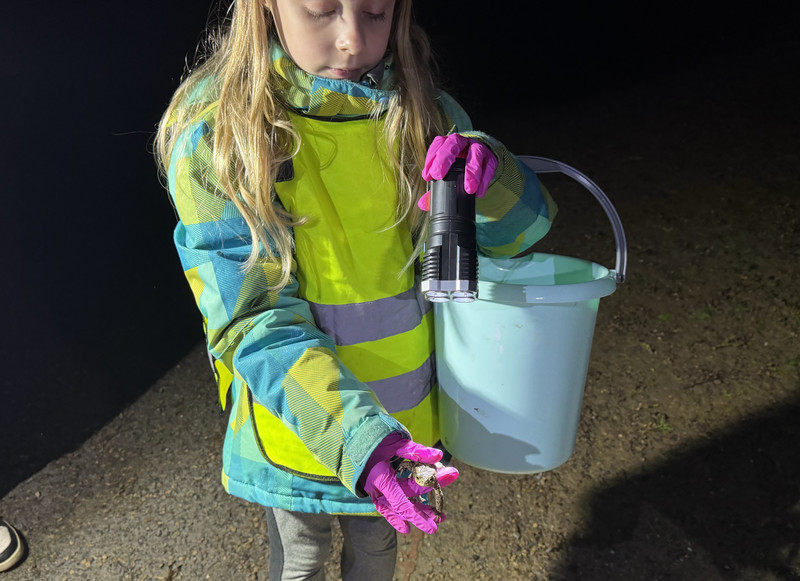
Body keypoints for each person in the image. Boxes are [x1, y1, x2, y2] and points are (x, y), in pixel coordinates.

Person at [155, 1, 557, 579]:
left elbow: (524, 236)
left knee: (378, 554)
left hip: (404, 426)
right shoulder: (223, 135)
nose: (351, 39)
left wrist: (494, 180)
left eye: (375, 12)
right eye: (320, 10)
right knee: (302, 560)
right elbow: (249, 319)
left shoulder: (426, 117)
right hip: (303, 430)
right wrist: (356, 439)